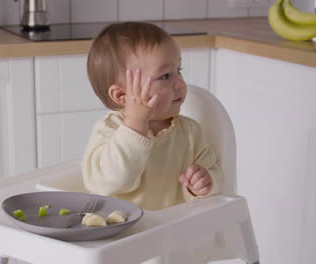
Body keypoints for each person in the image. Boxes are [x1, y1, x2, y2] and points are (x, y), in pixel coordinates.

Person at [82, 22, 220, 211]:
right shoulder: (109, 129)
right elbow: (112, 181)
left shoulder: (190, 132)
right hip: (122, 234)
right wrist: (136, 122)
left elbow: (214, 171)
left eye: (178, 71)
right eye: (165, 76)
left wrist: (205, 182)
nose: (180, 83)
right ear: (122, 96)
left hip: (171, 232)